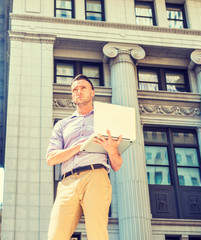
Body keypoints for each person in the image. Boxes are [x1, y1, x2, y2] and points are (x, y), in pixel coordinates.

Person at [46, 74, 123, 240]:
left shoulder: (105, 120)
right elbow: (51, 158)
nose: (78, 92)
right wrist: (79, 146)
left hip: (96, 176)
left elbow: (117, 165)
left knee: (97, 234)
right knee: (55, 236)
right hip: (67, 182)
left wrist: (112, 150)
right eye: (75, 89)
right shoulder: (62, 125)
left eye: (83, 88)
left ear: (92, 93)